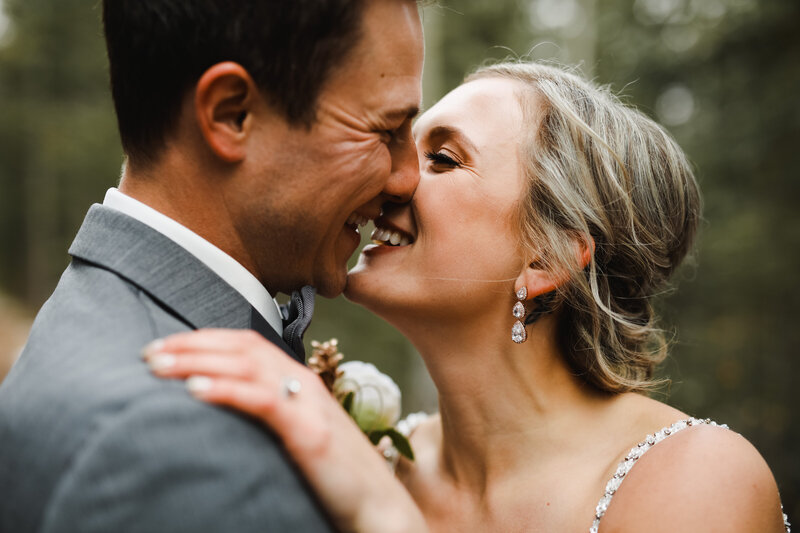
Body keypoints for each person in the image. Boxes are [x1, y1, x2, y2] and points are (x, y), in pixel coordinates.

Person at [146, 62, 791, 532]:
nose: (391, 176)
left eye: (444, 159)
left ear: (550, 258)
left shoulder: (696, 480)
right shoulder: (370, 450)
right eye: (401, 144)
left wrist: (382, 517)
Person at [0, 1, 424, 532]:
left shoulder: (94, 315)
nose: (408, 178)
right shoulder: (182, 448)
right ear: (232, 115)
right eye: (386, 130)